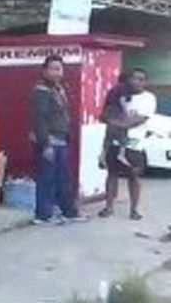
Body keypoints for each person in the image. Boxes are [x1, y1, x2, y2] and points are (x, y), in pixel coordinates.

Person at [29, 55, 89, 225]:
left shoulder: (59, 89)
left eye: (60, 68)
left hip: (62, 140)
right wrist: (45, 144)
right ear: (45, 70)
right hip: (48, 141)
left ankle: (68, 212)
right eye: (53, 68)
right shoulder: (41, 91)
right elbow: (39, 119)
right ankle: (43, 215)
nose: (57, 72)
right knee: (47, 178)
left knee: (64, 178)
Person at [99, 68, 156, 220]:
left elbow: (139, 119)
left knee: (134, 176)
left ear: (145, 82)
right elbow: (106, 115)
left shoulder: (148, 98)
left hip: (134, 144)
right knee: (112, 174)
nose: (137, 81)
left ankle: (134, 210)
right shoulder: (118, 94)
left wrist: (119, 123)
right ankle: (108, 207)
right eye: (134, 78)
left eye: (141, 79)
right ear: (129, 79)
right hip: (115, 141)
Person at [99, 73, 131, 169]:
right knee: (123, 134)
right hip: (116, 115)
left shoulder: (113, 89)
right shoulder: (123, 87)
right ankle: (121, 154)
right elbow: (122, 100)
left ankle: (102, 156)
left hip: (108, 114)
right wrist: (127, 113)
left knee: (109, 137)